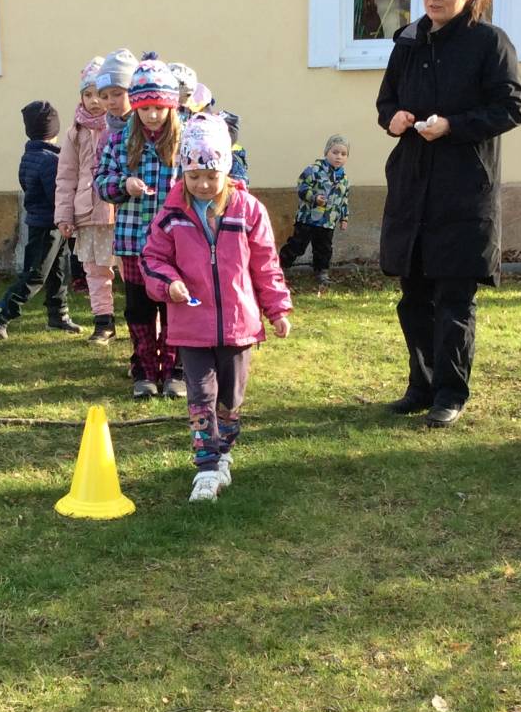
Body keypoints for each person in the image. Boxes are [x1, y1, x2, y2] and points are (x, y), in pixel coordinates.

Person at [375, 0, 521, 427]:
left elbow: (511, 108)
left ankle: (449, 393)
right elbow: (386, 102)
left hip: (463, 189)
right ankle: (420, 386)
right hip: (412, 185)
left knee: (454, 300)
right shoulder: (409, 41)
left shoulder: (489, 42)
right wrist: (395, 119)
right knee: (414, 297)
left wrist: (453, 125)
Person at [142, 113, 292, 502]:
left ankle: (224, 450)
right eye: (194, 176)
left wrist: (277, 308)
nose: (203, 184)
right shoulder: (172, 214)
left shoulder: (248, 210)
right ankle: (207, 466)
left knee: (230, 398)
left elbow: (266, 264)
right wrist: (168, 283)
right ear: (183, 172)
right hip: (192, 326)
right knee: (201, 397)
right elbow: (153, 258)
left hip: (239, 326)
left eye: (211, 175)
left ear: (225, 168)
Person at [94, 52, 185, 399]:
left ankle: (175, 369)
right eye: (145, 108)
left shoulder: (184, 141)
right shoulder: (119, 141)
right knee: (139, 309)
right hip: (133, 242)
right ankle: (144, 368)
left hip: (175, 245)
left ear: (170, 106)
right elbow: (102, 182)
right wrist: (123, 184)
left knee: (174, 306)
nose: (152, 115)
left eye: (159, 108)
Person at [0, 101, 81, 338]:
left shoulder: (30, 156)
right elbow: (57, 195)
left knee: (58, 269)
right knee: (36, 274)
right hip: (49, 225)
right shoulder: (51, 161)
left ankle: (58, 315)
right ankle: (1, 311)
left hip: (43, 222)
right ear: (54, 129)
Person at [55, 57, 119, 342]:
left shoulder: (120, 127)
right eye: (88, 94)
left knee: (133, 270)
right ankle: (104, 322)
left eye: (100, 94)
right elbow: (66, 176)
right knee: (95, 271)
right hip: (88, 212)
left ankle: (145, 322)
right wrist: (64, 215)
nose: (94, 101)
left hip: (119, 210)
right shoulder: (75, 133)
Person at [280, 134, 351, 290]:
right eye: (335, 152)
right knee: (297, 245)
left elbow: (344, 199)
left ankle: (321, 272)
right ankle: (279, 267)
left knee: (324, 248)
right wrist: (314, 197)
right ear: (326, 152)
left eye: (343, 154)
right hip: (308, 219)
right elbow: (302, 186)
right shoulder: (314, 170)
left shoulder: (344, 179)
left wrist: (344, 218)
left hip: (328, 221)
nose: (338, 157)